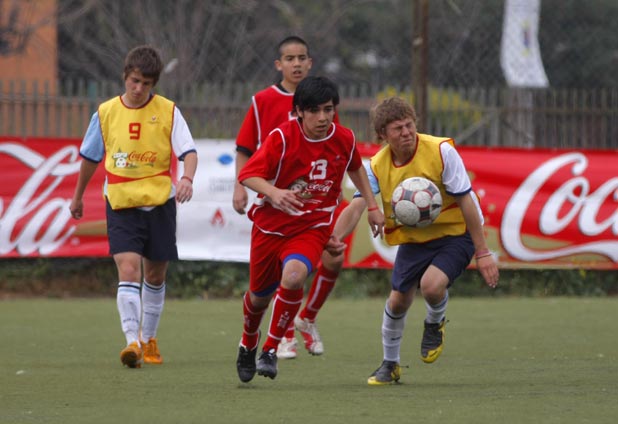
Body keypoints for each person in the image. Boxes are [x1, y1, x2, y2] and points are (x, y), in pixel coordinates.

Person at [331, 97, 499, 385]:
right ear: (383, 134)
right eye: (398, 129)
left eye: (409, 125)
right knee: (398, 301)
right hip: (414, 239)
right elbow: (357, 205)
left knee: (431, 286)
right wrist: (333, 239)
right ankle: (390, 364)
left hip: (456, 233)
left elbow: (467, 201)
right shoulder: (377, 166)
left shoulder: (441, 151)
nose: (406, 132)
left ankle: (434, 322)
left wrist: (482, 252)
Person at [235, 76, 384, 382]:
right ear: (299, 112)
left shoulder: (344, 138)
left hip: (312, 226)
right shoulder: (282, 137)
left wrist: (372, 206)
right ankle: (248, 341)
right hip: (270, 228)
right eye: (314, 110)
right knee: (258, 298)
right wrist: (274, 193)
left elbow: (356, 168)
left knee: (294, 276)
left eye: (328, 109)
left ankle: (270, 350)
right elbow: (248, 175)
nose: (323, 117)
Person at [69, 45, 198, 369]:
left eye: (146, 83)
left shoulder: (168, 111)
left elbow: (189, 152)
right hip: (121, 203)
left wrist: (187, 178)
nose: (139, 88)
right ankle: (131, 342)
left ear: (154, 84)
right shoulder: (105, 112)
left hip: (160, 204)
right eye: (134, 81)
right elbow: (90, 158)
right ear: (125, 76)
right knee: (128, 269)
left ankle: (148, 338)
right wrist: (78, 196)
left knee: (155, 275)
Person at [233, 35, 344, 359]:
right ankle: (275, 334)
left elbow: (335, 149)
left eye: (302, 58)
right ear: (279, 64)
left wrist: (337, 188)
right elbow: (245, 149)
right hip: (275, 203)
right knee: (264, 288)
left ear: (310, 62)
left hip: (314, 202)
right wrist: (240, 187)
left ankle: (303, 321)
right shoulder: (263, 101)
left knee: (323, 260)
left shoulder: (324, 102)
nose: (297, 64)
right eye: (290, 58)